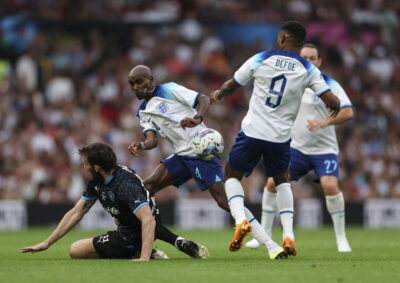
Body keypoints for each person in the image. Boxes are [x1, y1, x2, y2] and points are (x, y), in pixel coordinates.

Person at [210, 21, 341, 258]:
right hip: (280, 139)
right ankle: (288, 236)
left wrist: (218, 94)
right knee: (282, 181)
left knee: (231, 176)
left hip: (252, 132)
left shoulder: (261, 58)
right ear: (300, 44)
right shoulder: (308, 69)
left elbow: (232, 85)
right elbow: (331, 101)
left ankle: (241, 220)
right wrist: (334, 105)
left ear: (281, 38)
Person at [245, 43, 353, 252]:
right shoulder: (291, 81)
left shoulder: (329, 84)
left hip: (324, 150)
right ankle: (262, 236)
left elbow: (348, 112)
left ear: (319, 62)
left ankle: (341, 237)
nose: (308, 61)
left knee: (330, 186)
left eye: (312, 58)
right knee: (271, 184)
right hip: (296, 149)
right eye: (304, 57)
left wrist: (324, 122)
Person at [21, 142, 209, 260]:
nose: (84, 167)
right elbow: (76, 212)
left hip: (134, 233)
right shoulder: (99, 180)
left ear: (96, 167)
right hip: (141, 223)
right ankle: (171, 242)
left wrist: (143, 257)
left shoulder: (124, 184)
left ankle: (143, 252)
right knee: (125, 218)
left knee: (75, 250)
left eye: (86, 164)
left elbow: (148, 220)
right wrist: (47, 243)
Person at [127, 65, 229, 213]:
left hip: (200, 151)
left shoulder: (168, 89)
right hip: (181, 156)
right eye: (132, 84)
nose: (135, 87)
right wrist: (142, 145)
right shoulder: (142, 112)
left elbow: (204, 99)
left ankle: (260, 232)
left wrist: (197, 118)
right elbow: (152, 141)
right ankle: (146, 227)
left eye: (139, 82)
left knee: (223, 201)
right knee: (147, 187)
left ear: (150, 80)